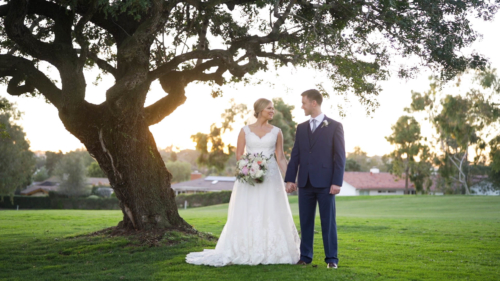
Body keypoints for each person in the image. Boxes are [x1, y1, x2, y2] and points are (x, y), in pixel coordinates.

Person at [186, 98, 300, 266]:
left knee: (270, 208)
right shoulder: (244, 131)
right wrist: (250, 170)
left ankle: (273, 250)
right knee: (250, 209)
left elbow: (280, 157)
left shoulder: (277, 131)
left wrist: (289, 178)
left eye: (273, 108)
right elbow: (239, 155)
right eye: (269, 108)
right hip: (249, 177)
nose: (272, 111)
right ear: (260, 109)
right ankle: (244, 248)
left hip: (271, 177)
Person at [285, 89, 346, 269]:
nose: (301, 106)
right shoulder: (301, 128)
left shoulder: (335, 126)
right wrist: (290, 179)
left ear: (314, 103)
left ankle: (331, 259)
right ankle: (305, 256)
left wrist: (337, 182)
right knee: (305, 221)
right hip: (304, 182)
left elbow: (340, 156)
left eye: (303, 102)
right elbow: (295, 155)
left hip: (327, 183)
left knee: (328, 222)